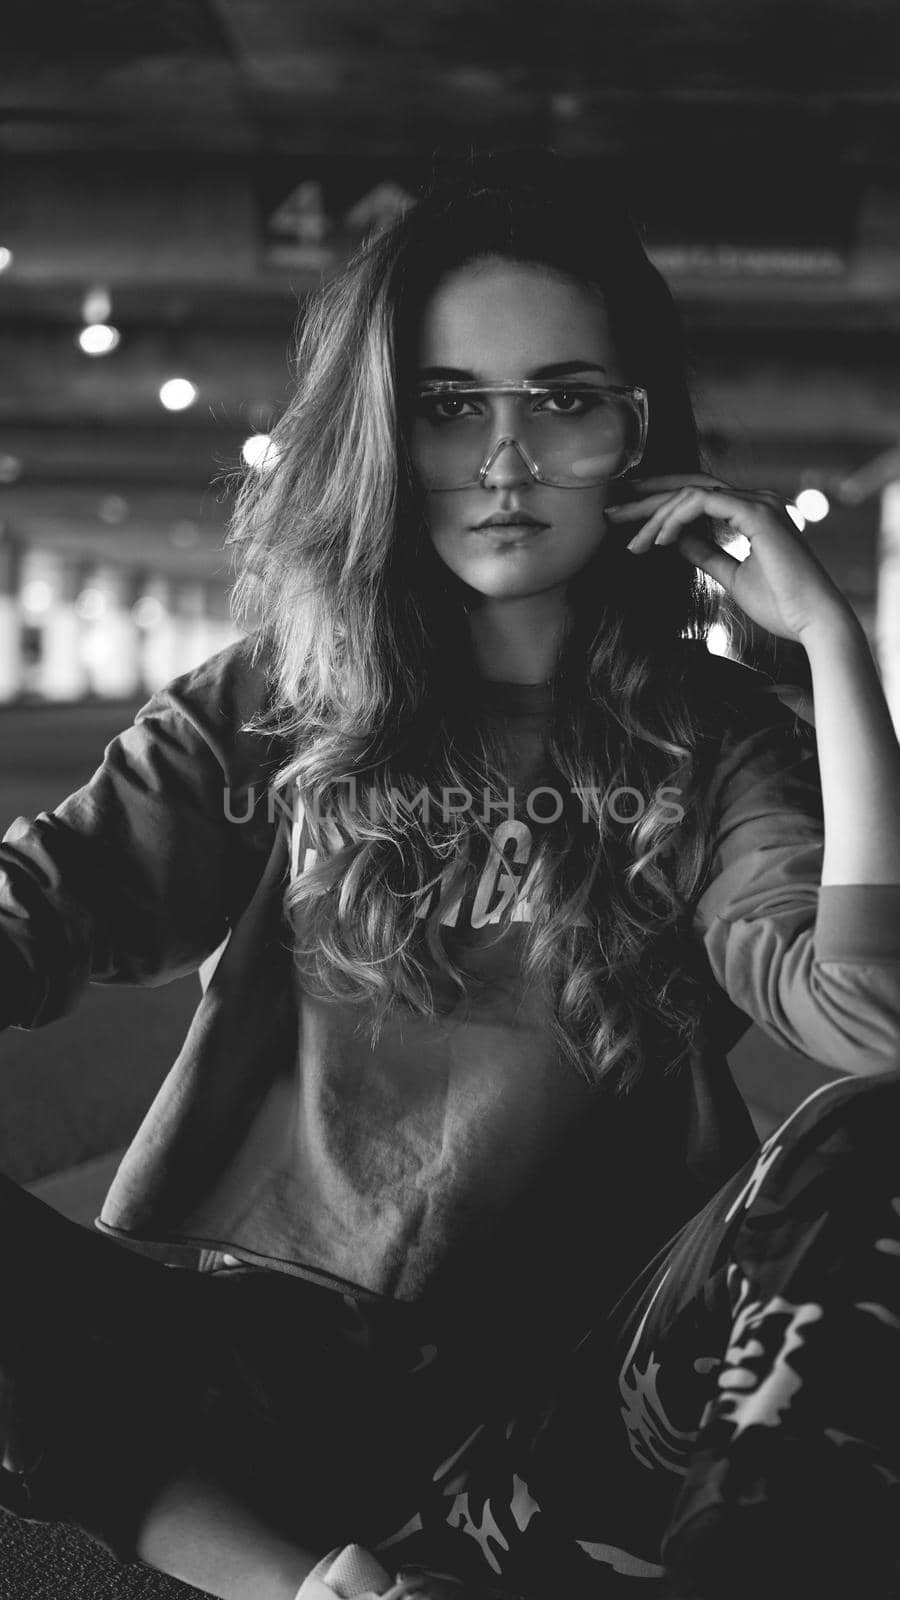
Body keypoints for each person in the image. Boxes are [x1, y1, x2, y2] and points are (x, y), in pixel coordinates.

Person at [1, 147, 900, 1600]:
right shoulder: (269, 709)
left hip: (568, 1413)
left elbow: (872, 1033)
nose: (504, 460)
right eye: (446, 406)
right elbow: (32, 911)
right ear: (378, 433)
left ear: (640, 432)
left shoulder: (719, 743)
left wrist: (835, 655)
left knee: (873, 1140)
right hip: (255, 1388)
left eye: (562, 401)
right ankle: (298, 1585)